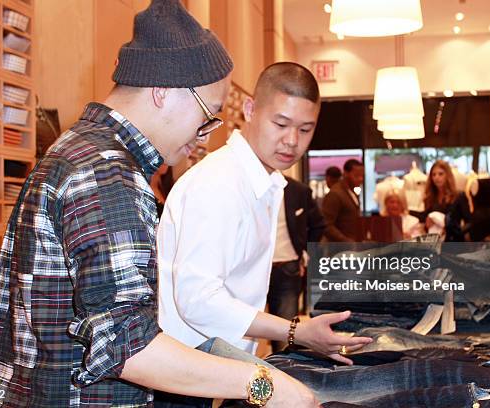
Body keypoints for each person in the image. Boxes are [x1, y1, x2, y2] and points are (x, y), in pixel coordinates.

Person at [0, 2, 318, 407]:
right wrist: (264, 383)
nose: (204, 136)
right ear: (164, 91)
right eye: (207, 116)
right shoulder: (106, 173)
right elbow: (129, 348)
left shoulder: (79, 149)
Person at [158, 62, 373, 366]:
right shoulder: (220, 183)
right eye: (280, 124)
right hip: (185, 370)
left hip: (217, 363)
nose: (292, 140)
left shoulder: (266, 183)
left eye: (305, 129)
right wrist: (294, 330)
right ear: (249, 109)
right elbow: (197, 300)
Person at [268, 176, 326, 351]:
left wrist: (305, 253)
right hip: (248, 271)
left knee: (285, 330)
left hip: (287, 266)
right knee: (243, 329)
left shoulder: (297, 190)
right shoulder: (241, 185)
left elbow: (318, 225)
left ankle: (283, 371)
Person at [322, 158, 364, 242]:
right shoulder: (335, 194)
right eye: (356, 176)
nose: (360, 179)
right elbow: (326, 225)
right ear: (345, 174)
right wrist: (346, 241)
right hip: (339, 249)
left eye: (362, 176)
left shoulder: (352, 192)